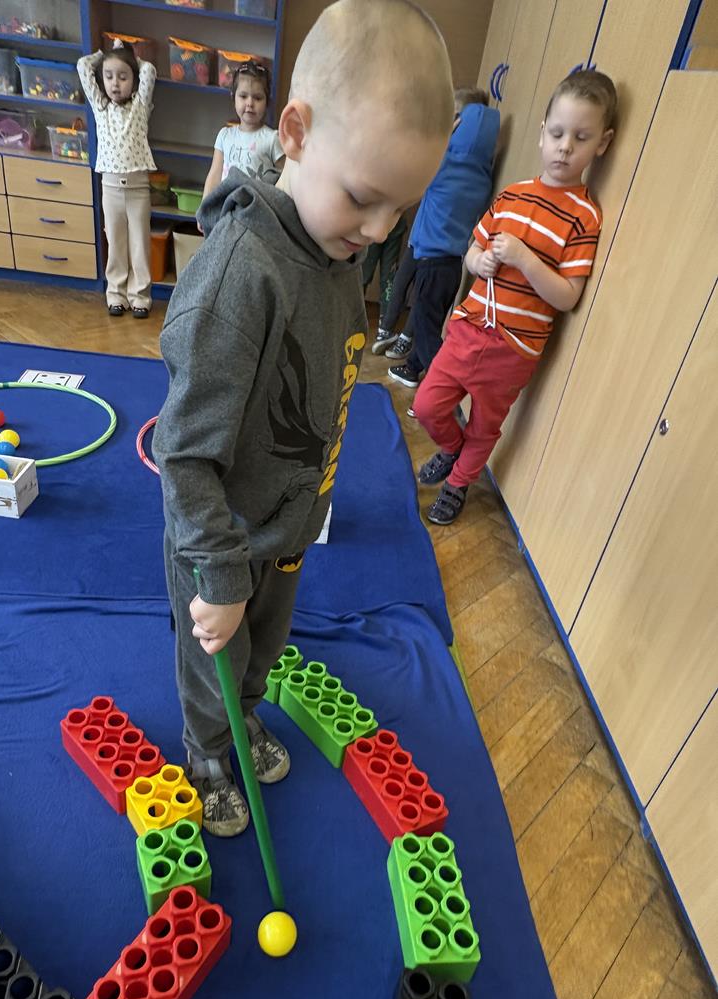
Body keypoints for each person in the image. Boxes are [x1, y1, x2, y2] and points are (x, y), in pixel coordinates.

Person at [153, 0, 454, 837]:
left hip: (286, 523)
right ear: (294, 132)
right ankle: (207, 748)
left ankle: (242, 714)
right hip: (219, 534)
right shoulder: (238, 278)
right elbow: (185, 454)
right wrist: (218, 576)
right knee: (214, 657)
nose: (379, 230)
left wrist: (302, 513)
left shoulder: (336, 242)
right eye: (365, 198)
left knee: (263, 645)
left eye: (400, 210)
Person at [414, 69, 617, 525]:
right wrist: (478, 262)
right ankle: (452, 448)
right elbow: (472, 250)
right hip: (469, 329)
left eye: (581, 137)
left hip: (514, 349)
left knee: (485, 425)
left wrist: (525, 259)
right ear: (542, 134)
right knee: (427, 405)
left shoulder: (585, 216)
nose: (565, 147)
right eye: (558, 133)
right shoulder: (512, 195)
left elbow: (567, 296)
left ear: (602, 144)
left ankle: (458, 483)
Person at [377, 87, 500, 386]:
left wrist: (440, 137)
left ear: (460, 125)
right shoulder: (482, 175)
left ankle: (441, 387)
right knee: (429, 323)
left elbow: (412, 156)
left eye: (452, 117)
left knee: (426, 330)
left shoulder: (443, 165)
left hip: (431, 265)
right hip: (452, 266)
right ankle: (412, 368)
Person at [77, 40, 156, 318]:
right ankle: (116, 294)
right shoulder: (101, 107)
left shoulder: (140, 106)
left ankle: (140, 296)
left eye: (123, 77)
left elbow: (149, 71)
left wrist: (129, 56)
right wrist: (105, 55)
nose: (115, 83)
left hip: (138, 189)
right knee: (115, 242)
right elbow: (83, 66)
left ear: (133, 81)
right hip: (110, 188)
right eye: (109, 77)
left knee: (140, 245)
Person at [199, 59, 284, 229]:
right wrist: (204, 209)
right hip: (226, 212)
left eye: (257, 98)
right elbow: (214, 174)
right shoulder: (225, 135)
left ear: (267, 101)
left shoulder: (272, 138)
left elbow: (284, 179)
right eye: (243, 96)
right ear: (234, 97)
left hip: (258, 216)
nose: (250, 103)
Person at [362, 212, 409, 331]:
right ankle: (384, 327)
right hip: (391, 220)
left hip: (378, 221)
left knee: (367, 275)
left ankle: (383, 325)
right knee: (385, 277)